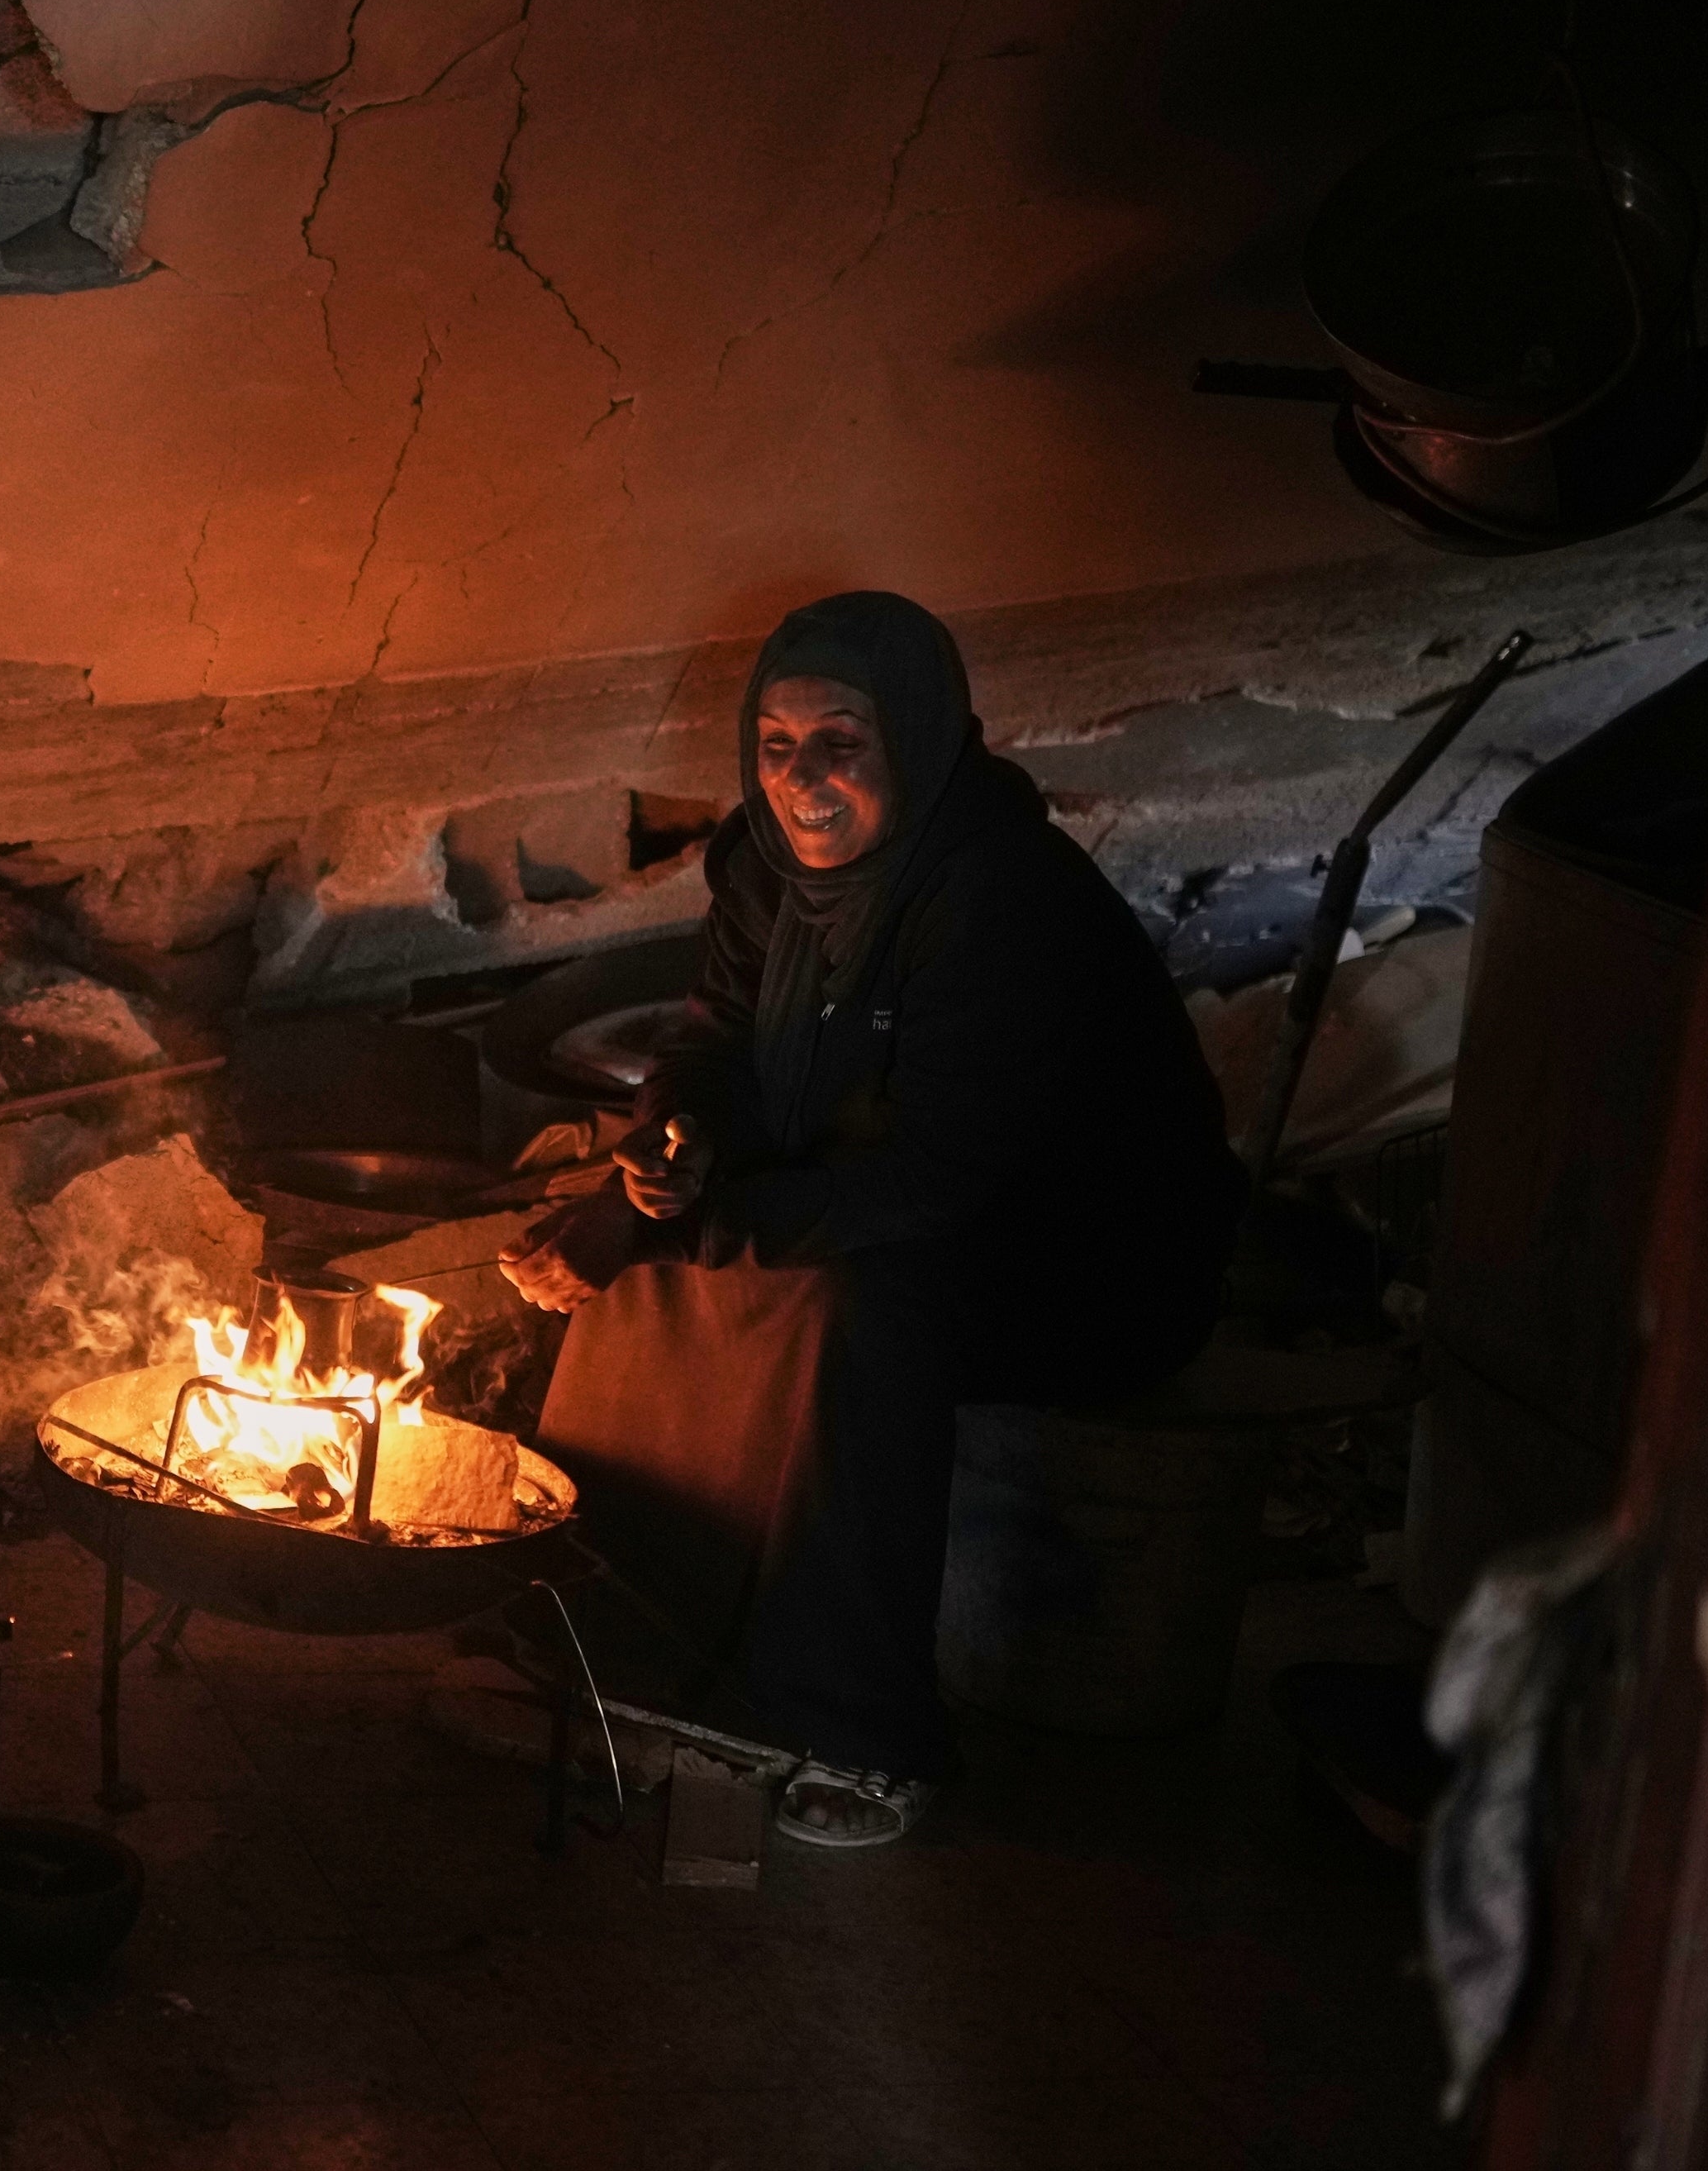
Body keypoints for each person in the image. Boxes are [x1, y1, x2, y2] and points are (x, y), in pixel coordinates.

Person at [499, 589, 1242, 1850]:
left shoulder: (999, 898)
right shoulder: (762, 866)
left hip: (1084, 1256)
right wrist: (661, 1163)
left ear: (919, 738)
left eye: (842, 744)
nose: (805, 784)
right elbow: (717, 1042)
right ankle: (630, 1641)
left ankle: (857, 1730)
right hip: (899, 1190)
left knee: (854, 1305)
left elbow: (942, 1180)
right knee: (644, 1245)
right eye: (777, 748)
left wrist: (684, 1226)